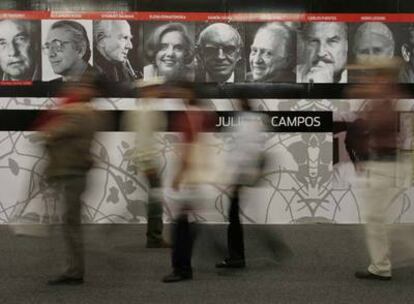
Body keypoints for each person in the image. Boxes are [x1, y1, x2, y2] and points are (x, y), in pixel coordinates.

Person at [37, 74, 100, 285]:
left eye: (81, 86)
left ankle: (75, 271)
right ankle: (74, 268)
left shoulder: (79, 114)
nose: (74, 89)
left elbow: (52, 133)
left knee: (71, 223)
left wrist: (51, 126)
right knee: (70, 222)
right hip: (73, 171)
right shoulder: (83, 112)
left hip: (73, 173)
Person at [162, 84, 216, 283]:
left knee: (180, 225)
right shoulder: (203, 114)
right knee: (186, 222)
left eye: (181, 90)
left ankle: (181, 268)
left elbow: (189, 148)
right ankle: (185, 266)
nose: (176, 93)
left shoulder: (188, 116)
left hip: (190, 177)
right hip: (200, 174)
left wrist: (179, 174)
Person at [216, 99, 266, 268]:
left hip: (241, 176)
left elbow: (244, 152)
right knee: (235, 216)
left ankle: (236, 256)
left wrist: (236, 177)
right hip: (243, 175)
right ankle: (237, 255)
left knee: (233, 217)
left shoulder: (245, 124)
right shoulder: (254, 122)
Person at [123, 78, 170, 248]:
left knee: (155, 198)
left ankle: (154, 235)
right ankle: (154, 236)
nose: (158, 92)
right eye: (155, 89)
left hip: (148, 159)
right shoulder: (146, 111)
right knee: (156, 199)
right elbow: (143, 139)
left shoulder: (143, 109)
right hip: (149, 160)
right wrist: (147, 163)